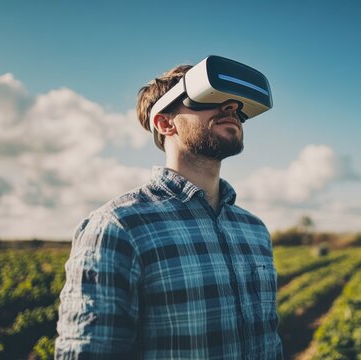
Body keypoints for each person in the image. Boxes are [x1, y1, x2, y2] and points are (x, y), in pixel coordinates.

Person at [55, 57, 282, 359]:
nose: (231, 109)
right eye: (208, 98)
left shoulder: (254, 230)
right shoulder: (118, 227)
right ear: (164, 122)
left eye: (236, 106)